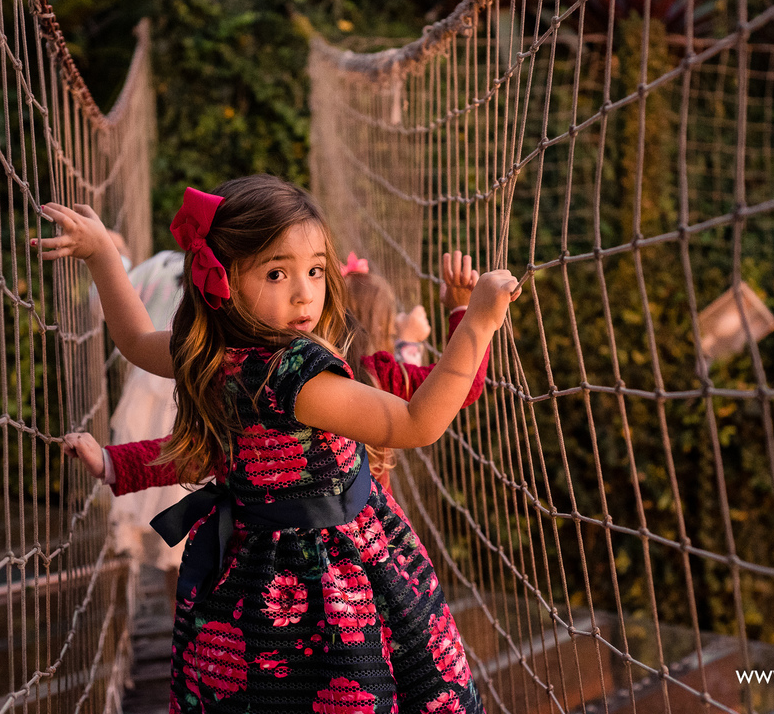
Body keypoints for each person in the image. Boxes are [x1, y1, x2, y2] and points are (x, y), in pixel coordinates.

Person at [35, 175, 518, 713]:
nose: (305, 292)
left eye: (315, 270)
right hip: (334, 572)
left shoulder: (209, 353)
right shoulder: (299, 377)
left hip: (247, 567)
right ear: (223, 282)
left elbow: (130, 340)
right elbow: (416, 423)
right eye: (276, 272)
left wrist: (103, 253)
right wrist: (478, 321)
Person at [341, 252, 483, 489]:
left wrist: (406, 341)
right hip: (371, 516)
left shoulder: (320, 366)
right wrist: (467, 310)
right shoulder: (378, 377)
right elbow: (460, 385)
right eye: (391, 322)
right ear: (379, 326)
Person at [106, 250, 188, 605]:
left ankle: (184, 639)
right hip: (200, 403)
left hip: (154, 406)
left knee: (180, 550)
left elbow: (104, 300)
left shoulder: (163, 263)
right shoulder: (244, 273)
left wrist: (115, 257)